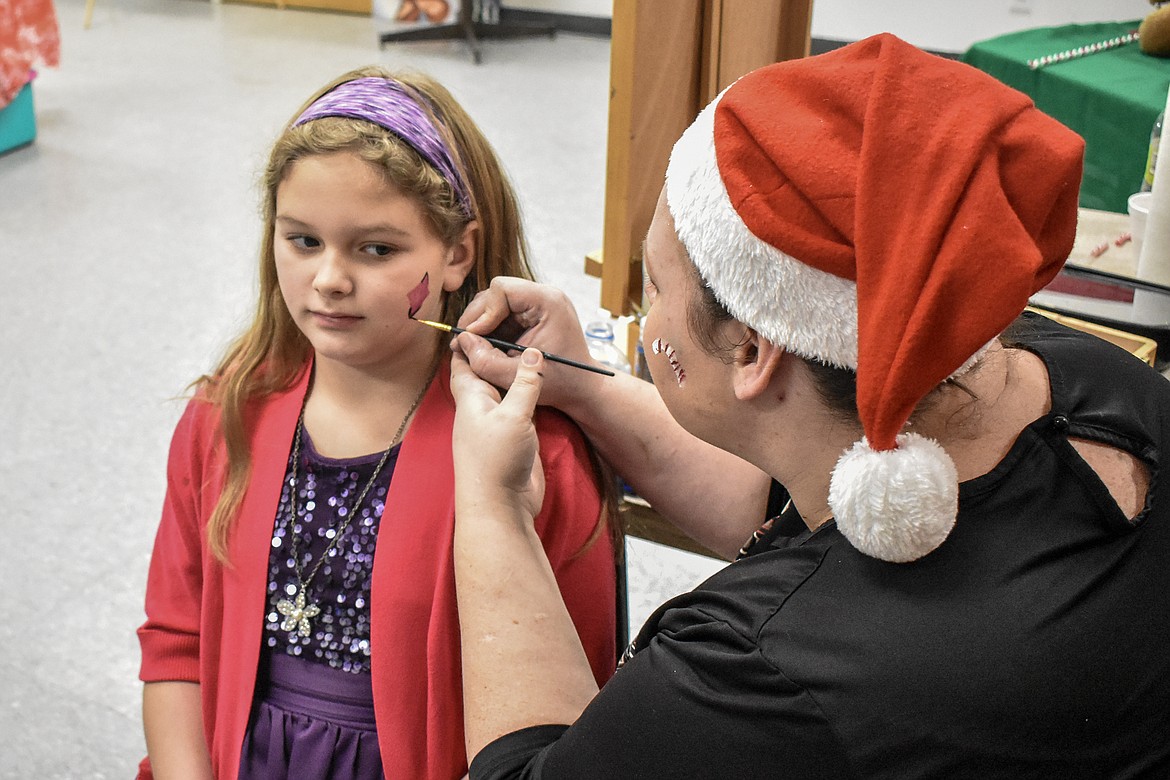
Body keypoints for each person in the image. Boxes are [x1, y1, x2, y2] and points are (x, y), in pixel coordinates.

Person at [447, 34, 1170, 778]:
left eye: (655, 287)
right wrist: (589, 384)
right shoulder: (1068, 366)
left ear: (753, 354)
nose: (644, 315)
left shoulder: (762, 668)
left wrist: (491, 502)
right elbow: (795, 488)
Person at [136, 66, 617, 780]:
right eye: (302, 240)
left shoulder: (527, 456)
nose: (328, 278)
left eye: (376, 249)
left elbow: (569, 715)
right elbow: (176, 644)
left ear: (457, 254)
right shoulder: (223, 416)